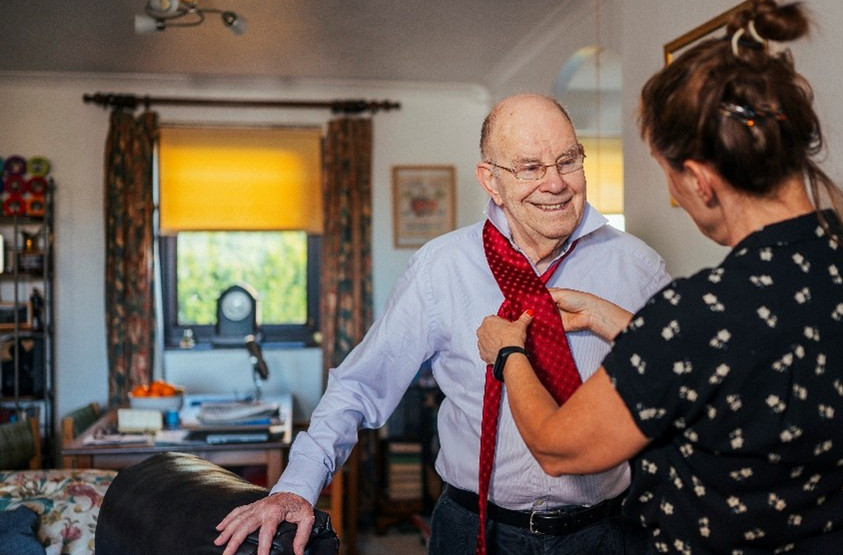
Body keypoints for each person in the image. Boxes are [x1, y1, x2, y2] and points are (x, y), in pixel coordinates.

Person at [477, 0, 843, 554]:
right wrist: (622, 323)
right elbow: (756, 367)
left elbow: (557, 446)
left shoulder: (698, 315)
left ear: (699, 180)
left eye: (670, 177)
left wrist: (509, 354)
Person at [215, 93, 671, 555]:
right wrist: (295, 488)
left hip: (609, 531)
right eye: (530, 168)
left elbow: (682, 395)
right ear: (491, 180)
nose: (554, 183)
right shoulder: (441, 267)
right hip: (474, 529)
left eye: (568, 161)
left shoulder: (639, 269)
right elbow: (360, 385)